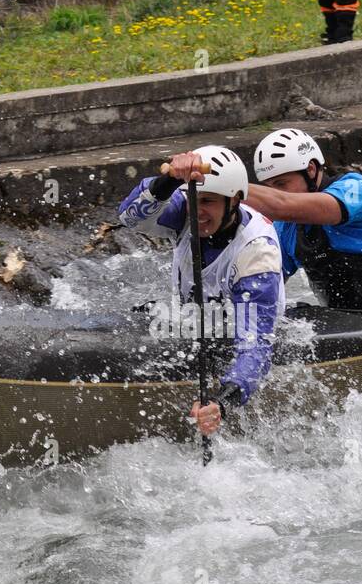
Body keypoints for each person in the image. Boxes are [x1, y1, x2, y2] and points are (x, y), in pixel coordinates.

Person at [118, 145, 286, 437]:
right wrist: (170, 180)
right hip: (195, 319)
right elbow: (129, 217)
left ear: (234, 201)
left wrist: (222, 402)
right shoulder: (184, 211)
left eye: (208, 201)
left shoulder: (257, 254)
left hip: (240, 330)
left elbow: (254, 345)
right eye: (193, 198)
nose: (198, 211)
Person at [246, 127, 362, 312]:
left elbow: (281, 205)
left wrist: (230, 186)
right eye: (269, 188)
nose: (275, 193)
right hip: (347, 324)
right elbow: (264, 288)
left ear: (310, 169)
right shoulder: (284, 229)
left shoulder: (358, 190)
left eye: (281, 184)